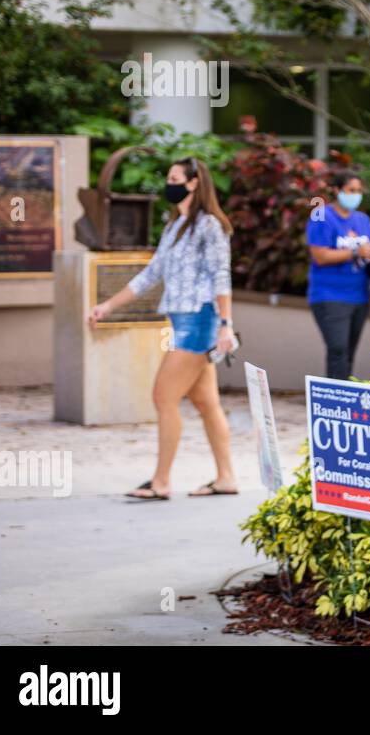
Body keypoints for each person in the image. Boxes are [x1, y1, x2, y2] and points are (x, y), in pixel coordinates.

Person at [87, 158, 240, 500]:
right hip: (182, 319)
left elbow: (221, 276)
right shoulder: (176, 225)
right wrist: (107, 306)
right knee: (206, 403)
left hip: (200, 320)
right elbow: (151, 274)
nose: (167, 184)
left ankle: (161, 481)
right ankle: (226, 477)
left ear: (193, 183)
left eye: (173, 178)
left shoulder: (209, 225)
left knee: (163, 396)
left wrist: (226, 326)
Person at [306, 170, 370, 381]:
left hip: (358, 296)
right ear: (336, 190)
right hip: (329, 295)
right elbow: (320, 255)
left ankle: (345, 400)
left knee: (348, 352)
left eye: (359, 191)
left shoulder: (363, 220)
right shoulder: (321, 215)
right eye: (351, 190)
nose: (355, 195)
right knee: (338, 349)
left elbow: (369, 248)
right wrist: (355, 251)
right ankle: (334, 401)